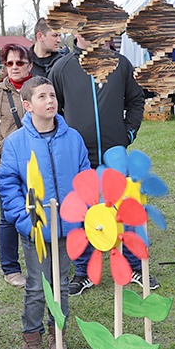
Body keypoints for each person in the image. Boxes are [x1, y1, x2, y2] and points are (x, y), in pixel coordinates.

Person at [0, 75, 89, 349]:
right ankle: (31, 338)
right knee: (37, 285)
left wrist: (81, 212)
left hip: (66, 228)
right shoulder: (15, 144)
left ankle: (56, 333)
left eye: (52, 96)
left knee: (61, 283)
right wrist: (25, 220)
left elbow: (84, 177)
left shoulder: (72, 138)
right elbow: (8, 184)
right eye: (42, 97)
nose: (50, 101)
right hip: (35, 230)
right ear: (27, 105)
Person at [49, 33, 153, 295]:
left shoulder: (120, 64)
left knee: (127, 209)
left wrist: (127, 133)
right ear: (75, 32)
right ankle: (83, 271)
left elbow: (136, 100)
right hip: (79, 159)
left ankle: (134, 266)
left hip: (114, 153)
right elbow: (53, 109)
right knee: (81, 214)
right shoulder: (62, 68)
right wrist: (65, 142)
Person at [0, 44, 33, 288]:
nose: (14, 67)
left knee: (40, 211)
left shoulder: (39, 88)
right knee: (9, 218)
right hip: (7, 167)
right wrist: (4, 149)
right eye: (9, 63)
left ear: (29, 65)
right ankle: (11, 268)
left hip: (37, 166)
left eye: (19, 63)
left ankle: (41, 261)